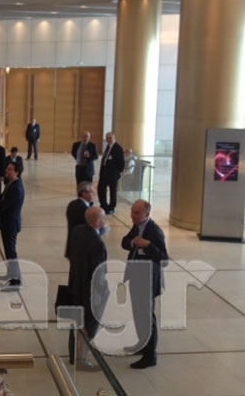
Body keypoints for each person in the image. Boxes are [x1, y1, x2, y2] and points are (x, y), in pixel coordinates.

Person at [121, 199, 168, 369]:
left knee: (147, 317)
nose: (132, 216)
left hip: (147, 280)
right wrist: (133, 242)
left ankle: (150, 356)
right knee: (138, 314)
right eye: (132, 212)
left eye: (137, 213)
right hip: (136, 277)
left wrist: (148, 245)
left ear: (147, 214)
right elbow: (124, 242)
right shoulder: (137, 227)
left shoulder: (154, 231)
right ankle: (142, 344)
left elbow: (163, 259)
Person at [67, 206, 110, 368]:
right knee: (88, 326)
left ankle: (73, 355)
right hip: (90, 292)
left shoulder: (77, 231)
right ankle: (82, 360)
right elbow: (98, 272)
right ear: (98, 222)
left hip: (75, 285)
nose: (105, 220)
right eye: (103, 218)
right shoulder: (97, 244)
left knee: (76, 323)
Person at [0, 161, 25, 287]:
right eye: (7, 168)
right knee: (8, 251)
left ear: (16, 172)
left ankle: (16, 279)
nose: (6, 170)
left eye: (9, 169)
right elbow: (1, 199)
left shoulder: (16, 188)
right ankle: (11, 273)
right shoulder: (11, 184)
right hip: (7, 223)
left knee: (11, 251)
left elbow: (3, 205)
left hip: (10, 224)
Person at [65, 182, 94, 259]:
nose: (94, 194)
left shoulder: (72, 204)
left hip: (73, 247)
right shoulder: (83, 209)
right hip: (80, 249)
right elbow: (89, 229)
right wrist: (102, 230)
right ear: (84, 194)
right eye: (91, 192)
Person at [97, 132, 125, 215]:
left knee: (113, 191)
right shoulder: (108, 147)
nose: (108, 139)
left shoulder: (118, 148)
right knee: (101, 189)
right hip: (104, 174)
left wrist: (117, 173)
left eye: (110, 138)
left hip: (112, 175)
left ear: (114, 138)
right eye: (107, 138)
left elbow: (121, 163)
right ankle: (104, 206)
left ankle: (111, 207)